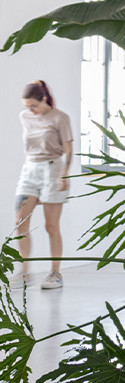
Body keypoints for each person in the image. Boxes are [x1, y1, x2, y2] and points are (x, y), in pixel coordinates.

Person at [15, 81, 73, 289]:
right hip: (29, 170)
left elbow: (68, 148)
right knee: (20, 223)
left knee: (51, 226)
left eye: (34, 105)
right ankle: (24, 272)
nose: (30, 110)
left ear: (44, 99)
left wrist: (64, 175)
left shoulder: (60, 118)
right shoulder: (25, 117)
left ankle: (55, 274)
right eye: (26, 106)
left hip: (54, 170)